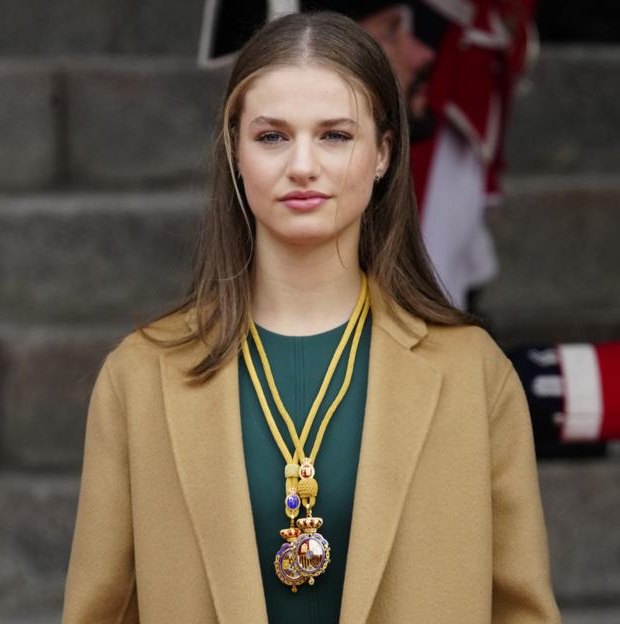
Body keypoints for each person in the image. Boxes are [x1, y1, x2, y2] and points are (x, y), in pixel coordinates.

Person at [62, 12, 561, 623]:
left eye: (335, 135)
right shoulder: (139, 377)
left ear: (383, 154)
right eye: (272, 136)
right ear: (235, 152)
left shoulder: (472, 373)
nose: (302, 165)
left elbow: (522, 612)